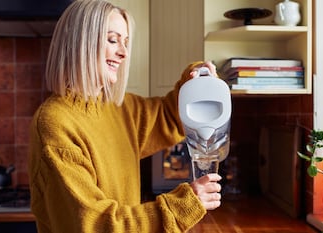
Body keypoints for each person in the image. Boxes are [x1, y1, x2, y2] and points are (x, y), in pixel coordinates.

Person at [28, 0, 222, 232]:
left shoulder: (121, 109)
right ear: (80, 42)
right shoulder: (55, 123)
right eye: (112, 40)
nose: (123, 52)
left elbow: (171, 117)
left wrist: (194, 82)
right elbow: (93, 224)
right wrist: (181, 206)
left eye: (126, 42)